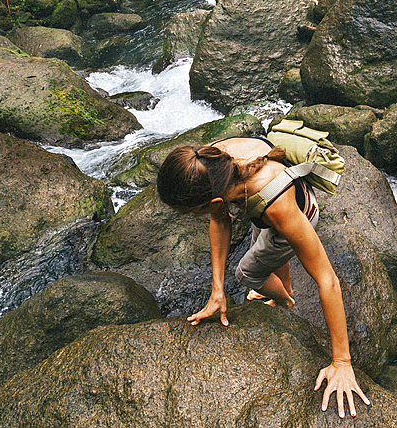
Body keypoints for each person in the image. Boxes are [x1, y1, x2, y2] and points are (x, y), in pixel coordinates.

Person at [156, 137, 370, 419]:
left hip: (297, 211)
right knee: (262, 236)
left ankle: (284, 299)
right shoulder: (209, 161)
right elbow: (220, 220)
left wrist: (342, 362)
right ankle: (284, 286)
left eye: (193, 211)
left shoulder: (276, 208)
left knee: (246, 272)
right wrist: (217, 291)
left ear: (216, 200)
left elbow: (327, 278)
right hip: (268, 205)